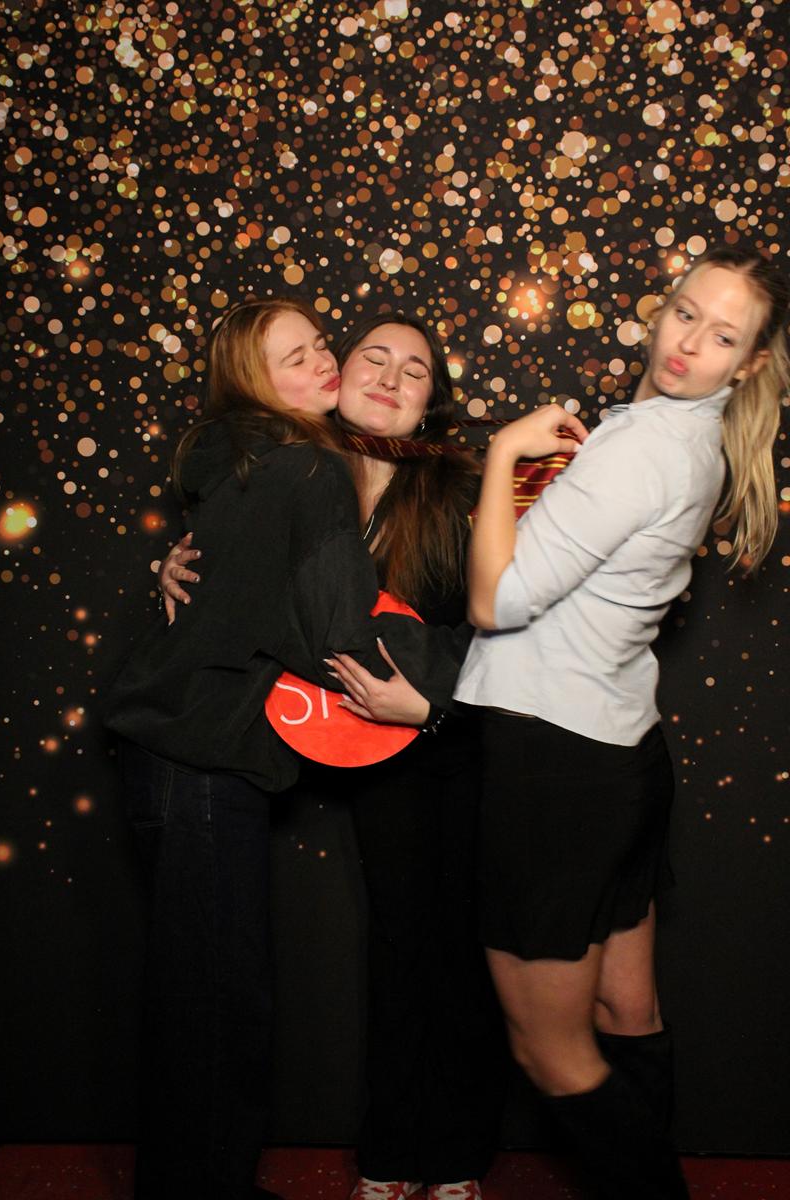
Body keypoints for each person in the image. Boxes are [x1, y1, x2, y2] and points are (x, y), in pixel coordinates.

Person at [162, 313, 575, 1200]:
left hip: (449, 742)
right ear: (335, 377)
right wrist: (180, 568)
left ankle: (454, 1158)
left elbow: (514, 625)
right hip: (349, 748)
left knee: (455, 950)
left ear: (432, 402)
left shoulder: (459, 490)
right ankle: (390, 1155)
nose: (389, 378)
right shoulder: (287, 470)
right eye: (372, 359)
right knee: (393, 948)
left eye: (413, 370)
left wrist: (431, 707)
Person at [453, 246, 789, 1199]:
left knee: (550, 1050)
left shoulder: (643, 448)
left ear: (750, 364)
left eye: (722, 336)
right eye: (685, 313)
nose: (689, 343)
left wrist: (503, 455)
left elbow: (494, 602)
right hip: (619, 760)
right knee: (624, 1012)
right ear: (663, 308)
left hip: (554, 768)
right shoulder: (684, 438)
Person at [105, 298, 443, 1200]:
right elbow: (335, 636)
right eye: (295, 359)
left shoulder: (238, 465)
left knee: (199, 997)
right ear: (254, 384)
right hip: (202, 760)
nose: (323, 363)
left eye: (320, 344)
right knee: (220, 1001)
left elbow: (247, 599)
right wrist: (440, 671)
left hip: (170, 753)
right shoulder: (311, 470)